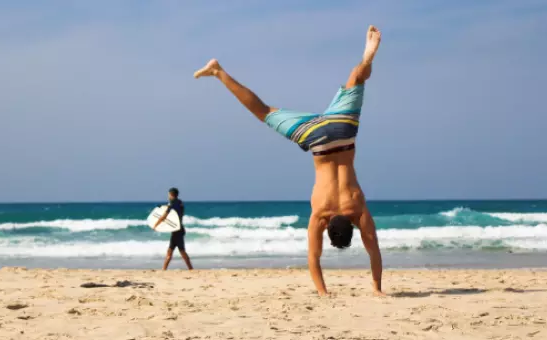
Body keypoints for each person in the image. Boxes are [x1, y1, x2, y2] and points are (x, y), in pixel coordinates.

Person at [193, 26, 384, 296]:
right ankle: (218, 72)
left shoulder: (357, 209)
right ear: (329, 228)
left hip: (342, 131)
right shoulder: (322, 214)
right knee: (264, 111)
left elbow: (373, 249)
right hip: (316, 140)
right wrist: (324, 292)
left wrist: (375, 288)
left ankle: (367, 58)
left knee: (356, 77)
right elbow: (315, 257)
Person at [153, 187, 194, 270]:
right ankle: (164, 269)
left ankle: (190, 269)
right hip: (179, 229)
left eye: (168, 194)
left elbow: (164, 216)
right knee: (172, 251)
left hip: (177, 231)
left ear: (171, 194)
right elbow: (174, 208)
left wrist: (156, 225)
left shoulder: (172, 204)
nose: (168, 196)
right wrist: (163, 206)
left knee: (178, 251)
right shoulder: (180, 203)